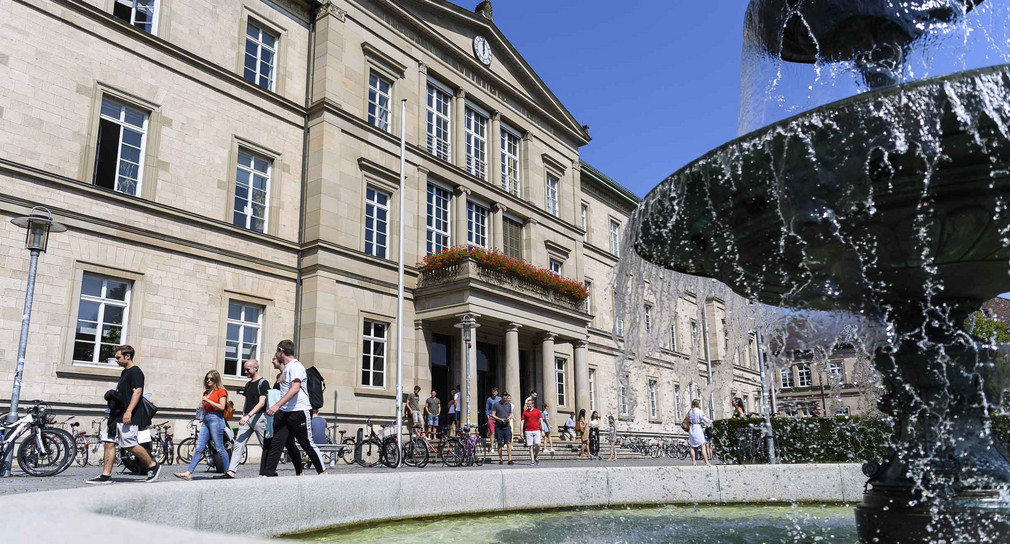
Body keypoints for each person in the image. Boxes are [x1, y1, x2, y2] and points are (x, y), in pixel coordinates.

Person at [86, 345, 160, 484]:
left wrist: (128, 411)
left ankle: (153, 465)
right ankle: (105, 475)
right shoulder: (125, 372)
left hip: (127, 415)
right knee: (109, 442)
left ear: (128, 356)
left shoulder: (135, 372)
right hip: (116, 414)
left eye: (118, 357)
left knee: (128, 444)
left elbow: (137, 392)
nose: (116, 360)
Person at [262, 339, 326, 476]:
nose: (276, 354)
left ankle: (322, 472)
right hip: (285, 411)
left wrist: (276, 405)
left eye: (277, 351)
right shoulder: (286, 368)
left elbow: (295, 388)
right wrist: (279, 407)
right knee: (276, 442)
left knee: (307, 444)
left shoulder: (296, 366)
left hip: (299, 411)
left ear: (282, 351)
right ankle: (268, 474)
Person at [174, 370, 230, 480]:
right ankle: (188, 473)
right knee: (199, 447)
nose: (208, 380)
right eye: (207, 378)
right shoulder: (206, 392)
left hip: (216, 419)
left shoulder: (221, 391)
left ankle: (228, 472)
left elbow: (222, 407)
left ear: (216, 380)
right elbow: (205, 405)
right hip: (206, 419)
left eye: (211, 379)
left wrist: (208, 401)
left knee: (219, 447)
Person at [224, 358, 269, 479]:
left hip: (259, 417)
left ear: (255, 368)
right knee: (238, 443)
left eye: (248, 369)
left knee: (265, 445)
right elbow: (247, 400)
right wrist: (244, 413)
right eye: (244, 369)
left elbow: (261, 403)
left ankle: (268, 471)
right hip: (247, 418)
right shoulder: (248, 384)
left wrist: (249, 415)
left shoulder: (263, 383)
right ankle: (231, 471)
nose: (245, 372)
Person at [259, 359, 304, 477]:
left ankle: (268, 473)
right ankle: (299, 471)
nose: (272, 361)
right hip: (277, 413)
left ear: (280, 361)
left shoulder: (289, 375)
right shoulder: (281, 376)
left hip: (286, 413)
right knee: (288, 443)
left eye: (274, 359)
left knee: (278, 443)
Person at [687, 399, 712, 466]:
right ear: (698, 404)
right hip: (698, 428)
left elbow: (687, 419)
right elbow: (704, 418)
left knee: (692, 446)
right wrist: (710, 421)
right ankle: (706, 462)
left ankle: (694, 461)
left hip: (691, 428)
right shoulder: (699, 411)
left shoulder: (690, 412)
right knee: (702, 445)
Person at [492, 392, 514, 464]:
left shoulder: (509, 405)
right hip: (499, 426)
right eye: (504, 398)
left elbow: (511, 414)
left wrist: (509, 418)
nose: (505, 399)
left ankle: (509, 459)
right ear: (501, 397)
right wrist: (499, 419)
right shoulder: (496, 404)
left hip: (507, 426)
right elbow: (493, 415)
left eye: (506, 398)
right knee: (499, 443)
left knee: (508, 442)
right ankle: (500, 459)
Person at [521, 399, 543, 465]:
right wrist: (521, 431)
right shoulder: (525, 412)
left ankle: (535, 455)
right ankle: (532, 461)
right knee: (530, 446)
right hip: (528, 431)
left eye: (530, 404)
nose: (529, 405)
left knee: (538, 444)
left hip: (536, 429)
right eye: (528, 404)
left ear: (533, 404)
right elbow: (522, 422)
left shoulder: (537, 411)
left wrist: (543, 430)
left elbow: (541, 420)